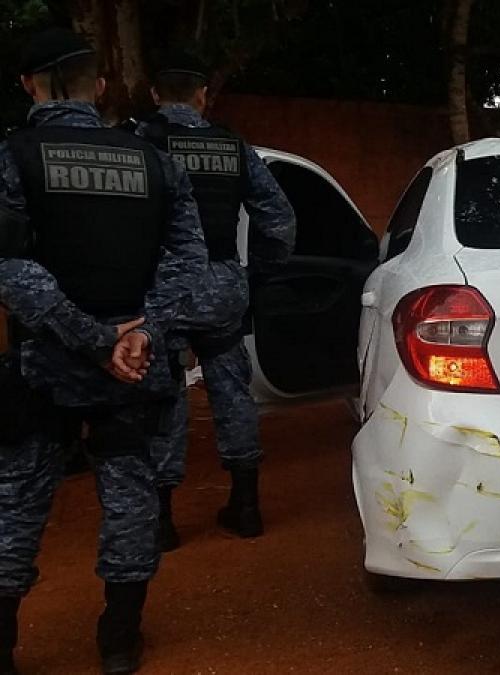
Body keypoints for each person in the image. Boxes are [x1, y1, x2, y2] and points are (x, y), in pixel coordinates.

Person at [0, 28, 209, 674]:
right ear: (101, 84)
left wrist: (90, 339)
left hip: (43, 366)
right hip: (135, 368)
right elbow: (189, 260)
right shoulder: (154, 161)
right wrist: (141, 334)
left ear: (29, 85)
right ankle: (119, 639)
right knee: (131, 496)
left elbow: (10, 266)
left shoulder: (12, 156)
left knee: (17, 501)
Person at [138, 50, 295, 550]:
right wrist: (257, 274)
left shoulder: (139, 142)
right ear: (203, 96)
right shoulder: (232, 146)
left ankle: (161, 521)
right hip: (221, 283)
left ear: (154, 94)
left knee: (164, 397)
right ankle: (246, 508)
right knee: (232, 392)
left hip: (159, 288)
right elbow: (278, 218)